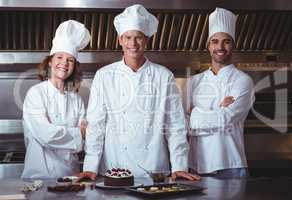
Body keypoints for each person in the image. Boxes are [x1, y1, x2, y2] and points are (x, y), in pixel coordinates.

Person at [80, 4, 200, 181]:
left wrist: (179, 165)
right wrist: (90, 166)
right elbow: (96, 125)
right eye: (128, 37)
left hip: (154, 169)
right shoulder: (104, 75)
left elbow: (175, 125)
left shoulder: (163, 76)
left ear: (147, 40)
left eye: (138, 38)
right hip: (115, 169)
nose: (133, 44)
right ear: (120, 40)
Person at [186, 8, 254, 178]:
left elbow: (226, 119)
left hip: (230, 165)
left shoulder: (242, 80)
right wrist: (219, 109)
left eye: (226, 41)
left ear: (233, 45)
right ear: (208, 46)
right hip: (195, 166)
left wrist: (194, 113)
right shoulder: (194, 82)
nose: (220, 47)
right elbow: (183, 124)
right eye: (215, 41)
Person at [21, 20, 90, 179]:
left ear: (74, 66)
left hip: (71, 177)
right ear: (50, 62)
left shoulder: (76, 100)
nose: (64, 63)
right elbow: (44, 134)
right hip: (40, 177)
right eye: (59, 57)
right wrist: (79, 133)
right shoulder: (36, 94)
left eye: (70, 60)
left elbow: (86, 137)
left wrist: (83, 134)